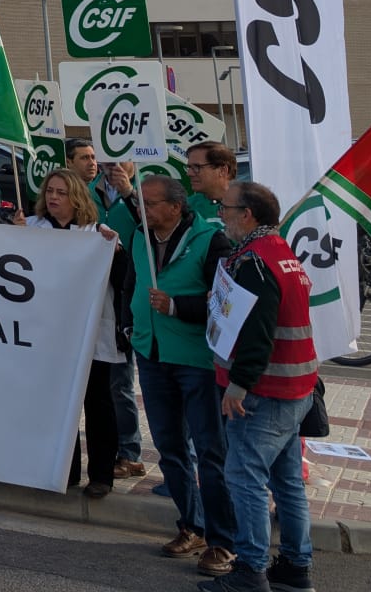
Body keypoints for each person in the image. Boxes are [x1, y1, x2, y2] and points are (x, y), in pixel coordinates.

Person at [206, 181, 317, 592]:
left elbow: (256, 332)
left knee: (244, 477)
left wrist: (238, 385)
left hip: (265, 392)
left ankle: (250, 570)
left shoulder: (253, 261)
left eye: (226, 207)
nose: (222, 213)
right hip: (294, 388)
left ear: (247, 215)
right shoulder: (281, 252)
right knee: (286, 481)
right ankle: (294, 566)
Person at [125, 172, 237, 577]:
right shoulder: (140, 235)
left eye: (151, 203)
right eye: (142, 202)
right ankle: (192, 526)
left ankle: (224, 539)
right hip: (151, 355)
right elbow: (131, 284)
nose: (144, 209)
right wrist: (129, 325)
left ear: (176, 206)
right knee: (170, 446)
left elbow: (224, 304)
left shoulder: (210, 241)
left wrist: (176, 308)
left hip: (195, 361)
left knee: (210, 451)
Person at [15, 169, 128, 496]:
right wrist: (14, 236)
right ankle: (64, 471)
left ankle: (102, 475)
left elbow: (121, 281)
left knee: (98, 403)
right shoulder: (31, 228)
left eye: (61, 192)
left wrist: (115, 252)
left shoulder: (97, 233)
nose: (53, 197)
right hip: (48, 335)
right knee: (56, 405)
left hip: (89, 334)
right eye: (50, 191)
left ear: (76, 197)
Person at [85, 145, 148, 478]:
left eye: (118, 160)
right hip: (97, 294)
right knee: (104, 383)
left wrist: (128, 193)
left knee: (121, 380)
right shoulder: (89, 192)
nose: (110, 166)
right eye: (105, 160)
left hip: (130, 292)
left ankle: (130, 451)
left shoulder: (144, 192)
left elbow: (152, 228)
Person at [185, 142, 239, 225]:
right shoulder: (186, 207)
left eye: (197, 167)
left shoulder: (250, 205)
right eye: (189, 167)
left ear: (222, 170)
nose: (189, 173)